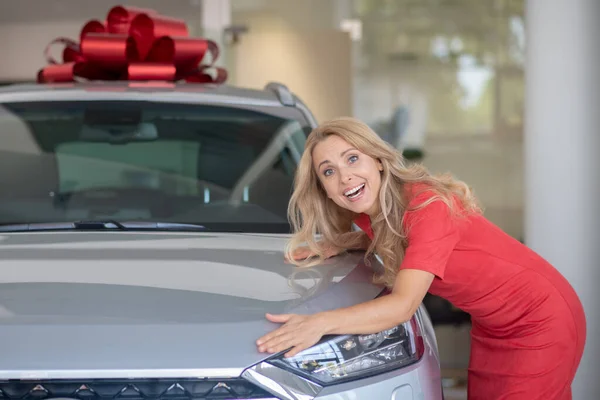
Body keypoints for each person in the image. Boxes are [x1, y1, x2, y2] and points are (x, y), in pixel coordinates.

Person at [255, 117, 586, 400]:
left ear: (378, 160)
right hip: (493, 323)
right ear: (323, 189)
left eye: (352, 159)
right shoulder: (375, 215)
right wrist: (343, 243)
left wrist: (319, 323)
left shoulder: (426, 205)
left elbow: (403, 305)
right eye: (329, 171)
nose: (344, 177)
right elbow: (397, 238)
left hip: (540, 318)